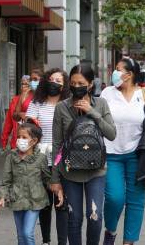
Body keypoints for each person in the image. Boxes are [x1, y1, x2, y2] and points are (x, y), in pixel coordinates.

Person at [100, 58, 145, 245]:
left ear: (129, 74)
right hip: (111, 154)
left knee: (136, 201)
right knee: (114, 198)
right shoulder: (107, 93)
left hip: (138, 155)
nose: (114, 72)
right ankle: (110, 230)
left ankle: (129, 241)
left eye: (118, 69)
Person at [50, 64, 116, 245]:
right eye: (72, 83)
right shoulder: (62, 107)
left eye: (81, 83)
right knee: (74, 218)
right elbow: (56, 144)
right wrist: (54, 179)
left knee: (95, 216)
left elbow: (111, 133)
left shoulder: (100, 103)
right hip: (69, 172)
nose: (76, 86)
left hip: (96, 171)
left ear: (89, 85)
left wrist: (92, 112)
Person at [25, 68, 70, 245]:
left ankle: (61, 241)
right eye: (51, 79)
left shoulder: (68, 104)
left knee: (62, 204)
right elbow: (27, 128)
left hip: (62, 160)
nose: (54, 83)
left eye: (59, 80)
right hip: (41, 160)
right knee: (44, 204)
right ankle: (45, 241)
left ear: (64, 85)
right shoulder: (37, 103)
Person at [0, 121, 51, 245]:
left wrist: (59, 189)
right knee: (21, 236)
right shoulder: (11, 157)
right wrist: (2, 197)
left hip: (35, 201)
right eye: (18, 137)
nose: (20, 140)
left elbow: (48, 179)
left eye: (24, 137)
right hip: (17, 199)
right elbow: (6, 181)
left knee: (27, 233)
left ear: (34, 141)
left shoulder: (41, 158)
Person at [1, 75, 31, 150]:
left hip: (31, 142)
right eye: (22, 84)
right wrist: (4, 140)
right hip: (16, 143)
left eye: (27, 84)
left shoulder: (35, 100)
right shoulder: (15, 100)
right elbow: (8, 122)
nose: (24, 86)